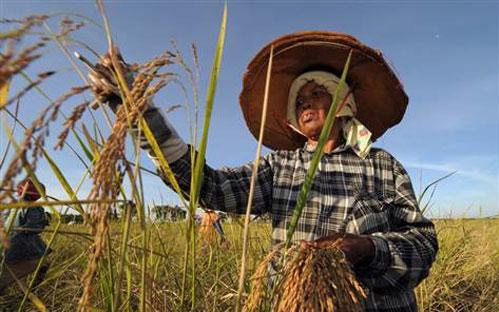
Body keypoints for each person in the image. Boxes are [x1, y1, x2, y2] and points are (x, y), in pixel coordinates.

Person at [89, 31, 438, 311]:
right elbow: (209, 187)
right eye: (299, 99)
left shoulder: (381, 165)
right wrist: (140, 113)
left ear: (344, 103)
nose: (305, 101)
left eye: (317, 92)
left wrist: (366, 248)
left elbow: (422, 244)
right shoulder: (280, 167)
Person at [0, 178, 50, 293]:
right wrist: (45, 221)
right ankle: (32, 291)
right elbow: (35, 228)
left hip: (5, 242)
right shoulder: (33, 207)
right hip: (21, 245)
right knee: (42, 265)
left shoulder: (11, 203)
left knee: (6, 269)